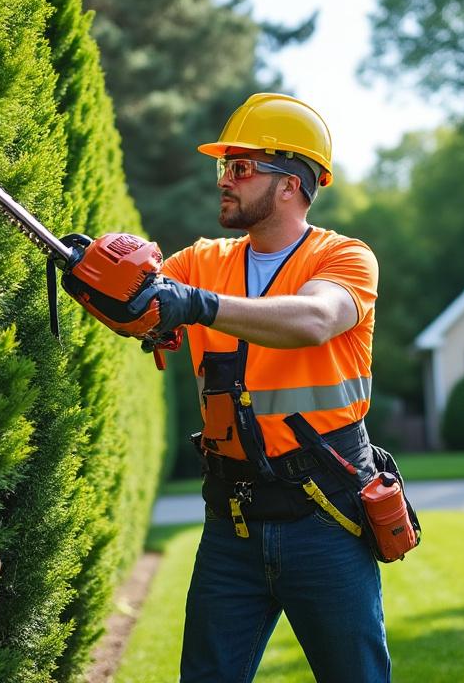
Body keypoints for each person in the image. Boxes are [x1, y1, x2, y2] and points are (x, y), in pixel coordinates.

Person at [145, 93, 390, 682]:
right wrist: (97, 265)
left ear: (291, 184)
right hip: (230, 525)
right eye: (224, 168)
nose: (225, 180)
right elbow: (143, 290)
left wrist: (196, 307)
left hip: (326, 518)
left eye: (241, 167)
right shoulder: (202, 260)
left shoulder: (343, 259)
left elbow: (313, 320)